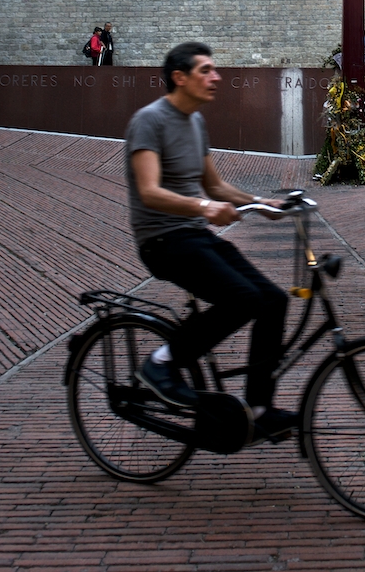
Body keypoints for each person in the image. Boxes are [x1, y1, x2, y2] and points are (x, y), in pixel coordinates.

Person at [128, 42, 295, 440]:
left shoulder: (195, 122)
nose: (216, 77)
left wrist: (260, 203)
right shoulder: (149, 120)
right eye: (206, 70)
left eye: (214, 70)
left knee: (274, 300)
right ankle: (161, 363)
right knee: (243, 299)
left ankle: (257, 408)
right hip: (162, 239)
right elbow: (149, 191)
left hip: (194, 235)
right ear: (179, 78)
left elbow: (214, 185)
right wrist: (204, 208)